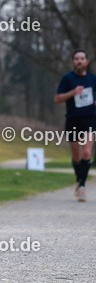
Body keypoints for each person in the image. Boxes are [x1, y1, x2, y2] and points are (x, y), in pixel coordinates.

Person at [54, 49, 95, 202]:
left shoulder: (93, 79)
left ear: (86, 61)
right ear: (73, 62)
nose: (79, 61)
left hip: (90, 119)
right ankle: (79, 179)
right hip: (73, 120)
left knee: (86, 151)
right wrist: (72, 92)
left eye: (82, 58)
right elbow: (57, 99)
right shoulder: (67, 79)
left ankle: (82, 186)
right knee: (77, 157)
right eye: (77, 59)